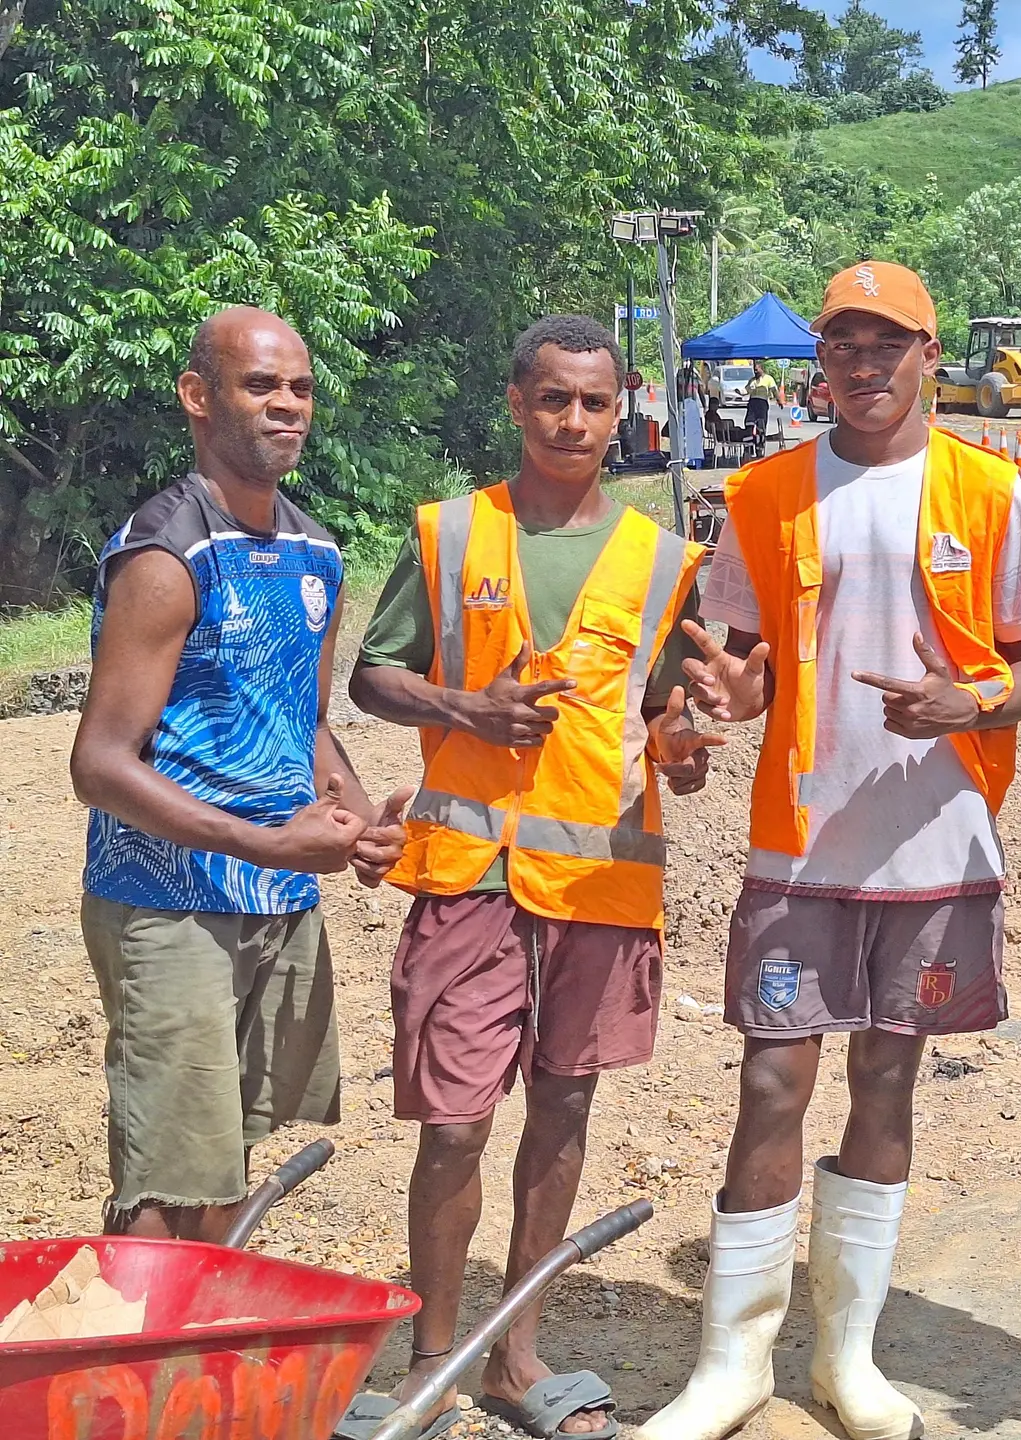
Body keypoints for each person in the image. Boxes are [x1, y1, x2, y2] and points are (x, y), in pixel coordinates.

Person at [641, 261, 1021, 1440]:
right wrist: (720, 695)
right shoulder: (767, 493)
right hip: (802, 842)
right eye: (843, 345)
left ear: (930, 355)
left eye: (889, 344)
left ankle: (846, 1356)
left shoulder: (987, 493)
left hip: (937, 842)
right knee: (772, 1079)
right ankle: (730, 1364)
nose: (865, 365)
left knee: (888, 1076)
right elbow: (728, 659)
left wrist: (974, 704)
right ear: (818, 362)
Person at [342, 315, 721, 1440]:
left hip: (602, 890)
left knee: (562, 1110)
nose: (574, 422)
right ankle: (430, 1359)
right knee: (454, 1124)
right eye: (553, 400)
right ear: (516, 404)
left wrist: (688, 750)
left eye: (595, 404)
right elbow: (373, 678)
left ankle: (515, 1354)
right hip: (470, 875)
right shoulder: (453, 534)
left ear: (622, 413)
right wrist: (463, 706)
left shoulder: (664, 563)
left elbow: (669, 731)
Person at [69, 306, 410, 1244]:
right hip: (168, 904)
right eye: (260, 386)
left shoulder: (314, 550)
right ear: (198, 397)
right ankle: (138, 1381)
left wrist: (356, 820)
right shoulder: (167, 552)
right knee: (166, 1176)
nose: (286, 406)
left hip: (278, 898)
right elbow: (98, 764)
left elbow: (302, 722)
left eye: (299, 388)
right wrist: (265, 840)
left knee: (226, 1159)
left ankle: (199, 1369)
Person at [744, 360, 779, 444]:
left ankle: (760, 446)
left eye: (757, 369)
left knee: (761, 425)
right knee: (749, 424)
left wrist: (778, 399)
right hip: (752, 403)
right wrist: (740, 392)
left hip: (762, 403)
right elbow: (746, 390)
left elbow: (774, 390)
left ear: (762, 369)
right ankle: (749, 447)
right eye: (754, 370)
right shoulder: (752, 380)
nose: (755, 371)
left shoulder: (768, 379)